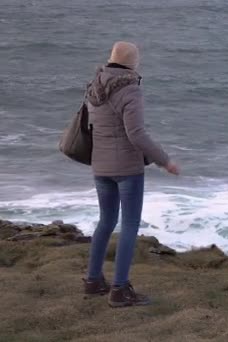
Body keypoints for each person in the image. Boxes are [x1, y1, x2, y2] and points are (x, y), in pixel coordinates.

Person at [82, 41, 180, 307]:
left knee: (105, 222)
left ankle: (93, 281)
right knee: (129, 226)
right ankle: (120, 289)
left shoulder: (94, 86)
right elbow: (136, 134)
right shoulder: (129, 89)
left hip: (100, 166)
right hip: (126, 169)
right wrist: (164, 161)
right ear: (133, 64)